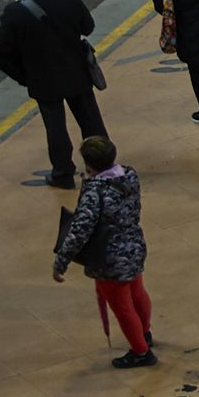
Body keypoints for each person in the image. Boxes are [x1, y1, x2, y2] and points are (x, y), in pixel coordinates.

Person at [0, 0, 104, 187]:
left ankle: (62, 173)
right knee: (90, 120)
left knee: (55, 127)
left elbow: (3, 45)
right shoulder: (70, 0)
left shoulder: (15, 12)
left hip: (43, 78)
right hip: (76, 72)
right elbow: (88, 27)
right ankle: (102, 165)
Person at [53, 135, 152, 367]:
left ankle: (141, 352)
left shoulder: (94, 193)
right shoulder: (130, 176)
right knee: (137, 293)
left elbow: (79, 231)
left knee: (122, 307)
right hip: (134, 246)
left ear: (89, 165)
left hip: (108, 257)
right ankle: (145, 333)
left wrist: (61, 261)